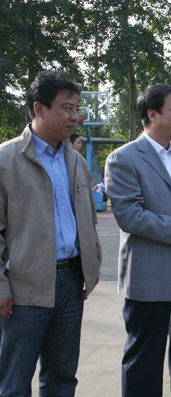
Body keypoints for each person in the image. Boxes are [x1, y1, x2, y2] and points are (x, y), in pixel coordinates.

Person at [0, 70, 102, 396]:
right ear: (39, 109)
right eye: (67, 108)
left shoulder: (76, 162)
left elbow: (88, 221)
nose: (75, 117)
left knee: (62, 377)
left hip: (71, 283)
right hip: (25, 289)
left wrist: (91, 265)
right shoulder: (6, 160)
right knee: (14, 380)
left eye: (76, 109)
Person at [105, 85, 171, 397]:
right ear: (152, 114)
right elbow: (129, 214)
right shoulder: (123, 159)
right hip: (147, 277)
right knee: (144, 362)